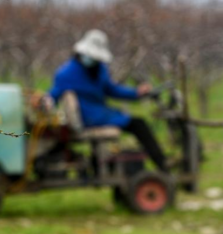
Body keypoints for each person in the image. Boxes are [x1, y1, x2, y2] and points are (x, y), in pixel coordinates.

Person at [47, 29, 169, 173]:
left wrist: (136, 93)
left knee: (138, 123)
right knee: (138, 124)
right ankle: (163, 165)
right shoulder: (66, 74)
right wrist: (45, 101)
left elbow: (111, 89)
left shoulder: (98, 69)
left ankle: (161, 163)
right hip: (90, 118)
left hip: (102, 114)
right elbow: (53, 95)